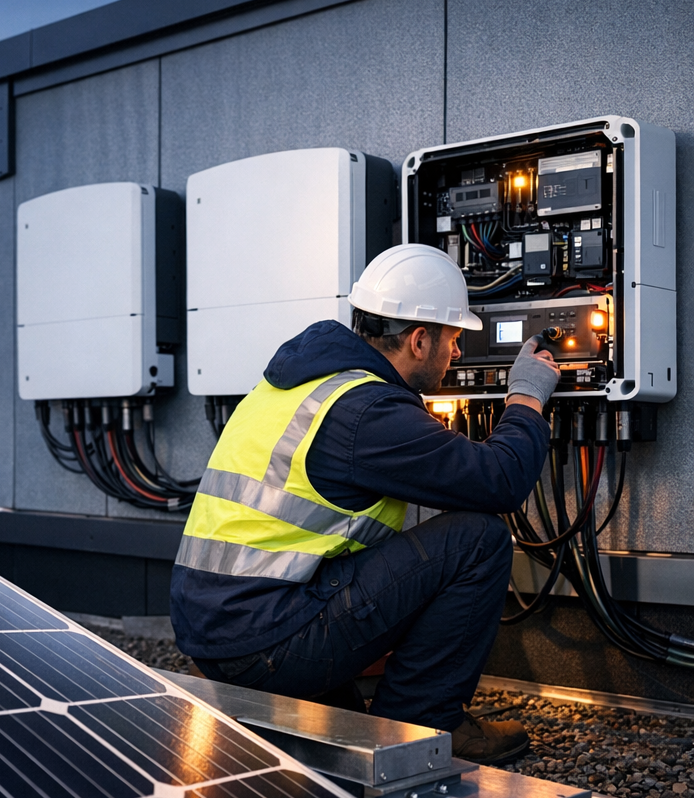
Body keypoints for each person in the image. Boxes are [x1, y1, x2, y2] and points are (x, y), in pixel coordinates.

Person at [170, 243, 560, 763]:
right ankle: (425, 726)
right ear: (420, 340)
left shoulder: (306, 381)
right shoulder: (368, 413)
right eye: (453, 339)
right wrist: (527, 398)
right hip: (265, 644)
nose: (458, 354)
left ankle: (353, 698)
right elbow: (500, 480)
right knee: (479, 539)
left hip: (216, 631)